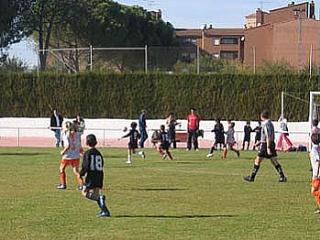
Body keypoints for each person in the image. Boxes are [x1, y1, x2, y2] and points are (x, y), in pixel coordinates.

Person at [244, 110, 287, 182]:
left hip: (266, 145)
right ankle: (282, 176)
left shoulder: (266, 124)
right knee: (274, 161)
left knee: (257, 160)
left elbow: (268, 136)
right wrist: (260, 142)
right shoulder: (270, 123)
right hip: (269, 143)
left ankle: (252, 177)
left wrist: (268, 148)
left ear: (261, 116)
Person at [79, 134, 111, 217]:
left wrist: (81, 174)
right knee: (96, 193)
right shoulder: (98, 153)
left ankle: (100, 199)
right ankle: (105, 211)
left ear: (86, 142)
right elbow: (102, 163)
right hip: (99, 175)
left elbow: (86, 165)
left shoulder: (87, 153)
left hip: (91, 176)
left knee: (84, 192)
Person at [56, 121, 83, 190]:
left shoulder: (65, 134)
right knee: (76, 171)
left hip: (67, 156)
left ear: (66, 127)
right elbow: (79, 145)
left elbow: (68, 145)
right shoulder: (77, 134)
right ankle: (82, 185)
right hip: (76, 155)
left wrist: (63, 151)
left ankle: (63, 184)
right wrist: (81, 152)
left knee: (61, 169)